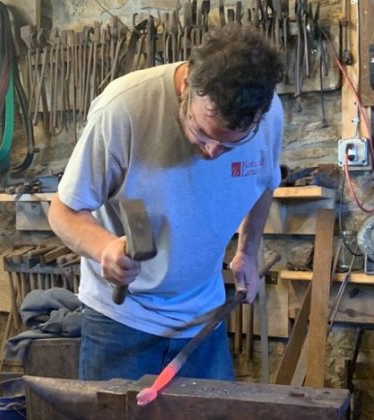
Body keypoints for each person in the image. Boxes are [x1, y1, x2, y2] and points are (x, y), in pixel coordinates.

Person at [48, 24, 284, 381]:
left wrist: (247, 253)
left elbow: (264, 183)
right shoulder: (123, 109)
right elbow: (64, 210)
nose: (211, 152)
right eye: (202, 133)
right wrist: (104, 248)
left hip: (204, 315)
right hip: (124, 316)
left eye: (230, 145)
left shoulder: (268, 117)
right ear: (188, 84)